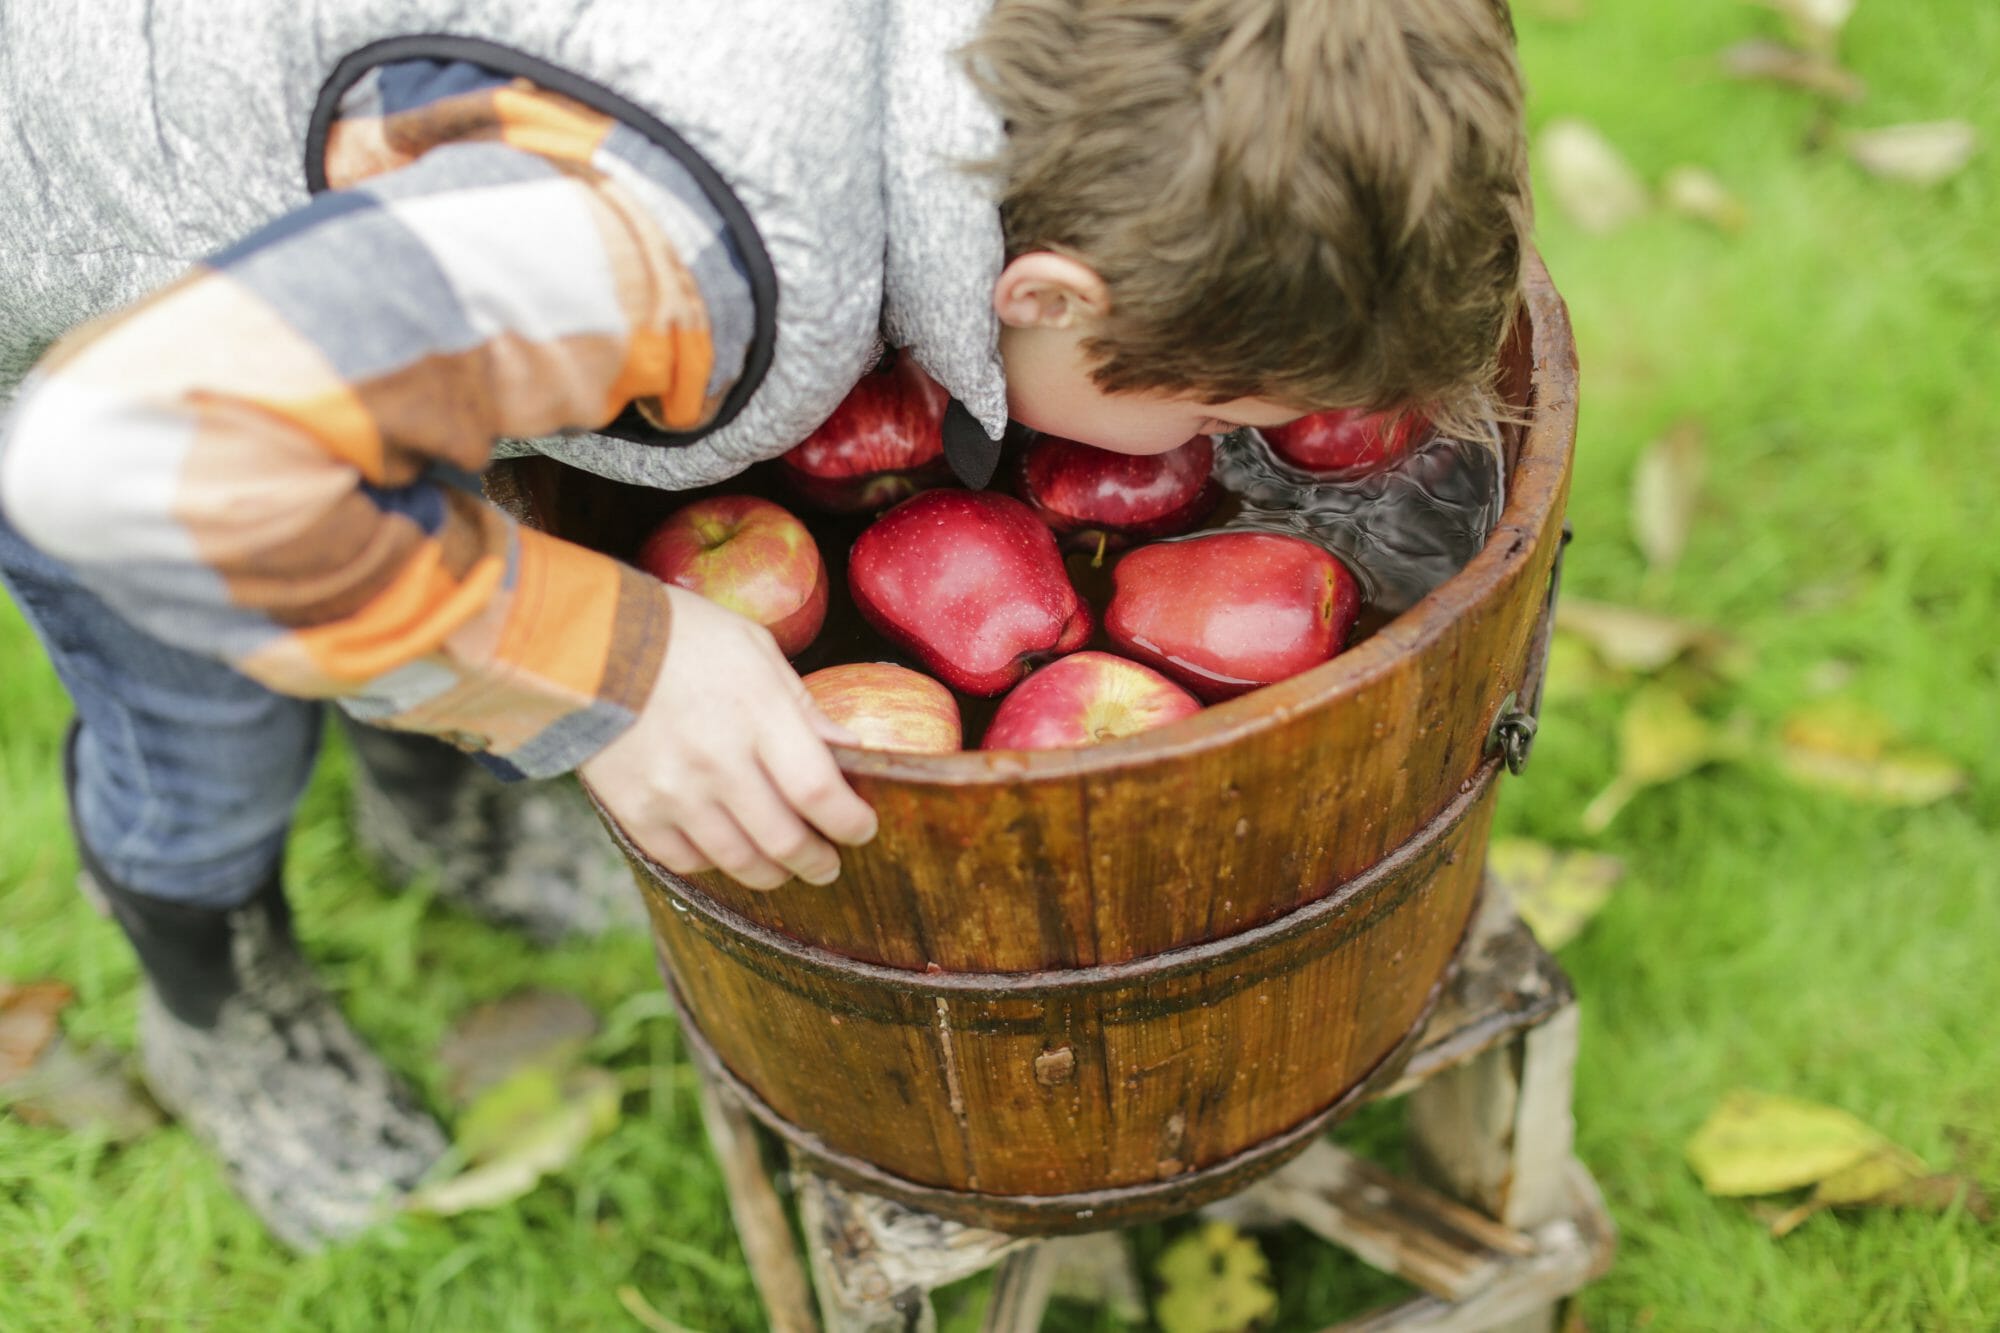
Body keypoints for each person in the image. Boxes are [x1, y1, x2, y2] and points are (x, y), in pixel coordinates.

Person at [0, 0, 1530, 1249]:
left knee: (419, 518)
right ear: (1053, 295)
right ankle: (218, 989)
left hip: (374, 212)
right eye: (1213, 406)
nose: (1204, 436)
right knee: (205, 720)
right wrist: (622, 665)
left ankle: (427, 792)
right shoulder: (683, 249)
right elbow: (124, 448)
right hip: (104, 290)